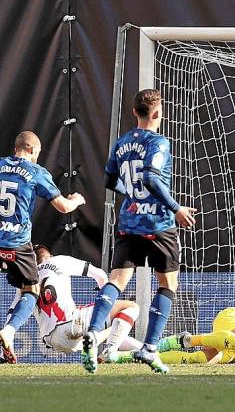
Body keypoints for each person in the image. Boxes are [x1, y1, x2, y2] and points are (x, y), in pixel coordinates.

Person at [81, 89, 197, 374]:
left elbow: (110, 179)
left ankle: (95, 332)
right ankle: (149, 348)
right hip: (158, 224)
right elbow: (150, 178)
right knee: (168, 285)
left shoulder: (121, 143)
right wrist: (176, 208)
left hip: (129, 222)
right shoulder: (159, 142)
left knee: (117, 280)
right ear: (157, 113)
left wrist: (133, 197)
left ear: (134, 112)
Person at [0, 131, 86, 363]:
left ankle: (4, 343)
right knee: (30, 289)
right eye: (38, 153)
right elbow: (63, 207)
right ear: (32, 150)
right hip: (17, 243)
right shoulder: (36, 172)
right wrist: (77, 199)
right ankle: (8, 332)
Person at [13, 244, 141, 359]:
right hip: (71, 322)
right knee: (130, 307)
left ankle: (143, 349)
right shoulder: (58, 260)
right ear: (50, 256)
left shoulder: (27, 279)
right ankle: (110, 351)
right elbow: (100, 274)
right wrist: (105, 299)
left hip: (51, 339)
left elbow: (14, 311)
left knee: (114, 331)